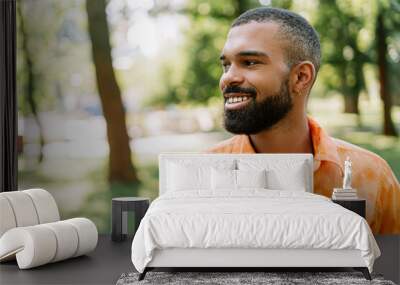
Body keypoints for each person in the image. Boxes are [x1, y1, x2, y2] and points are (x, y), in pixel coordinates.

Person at [206, 7, 400, 234]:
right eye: (226, 65)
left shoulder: (372, 177)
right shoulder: (203, 174)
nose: (227, 77)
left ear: (300, 77)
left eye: (249, 62)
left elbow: (393, 267)